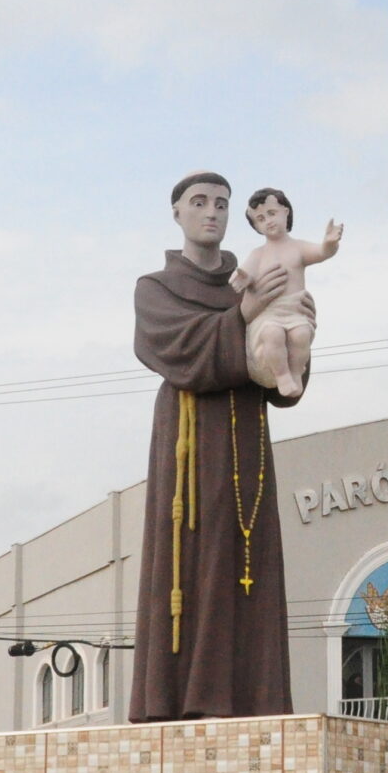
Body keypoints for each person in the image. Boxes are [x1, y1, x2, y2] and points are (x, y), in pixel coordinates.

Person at [130, 172, 305, 721]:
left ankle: (251, 699)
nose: (212, 212)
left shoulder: (259, 272)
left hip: (247, 438)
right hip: (187, 441)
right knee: (191, 561)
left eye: (222, 204)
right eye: (199, 202)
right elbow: (174, 350)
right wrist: (245, 317)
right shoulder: (156, 287)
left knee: (246, 559)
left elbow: (280, 382)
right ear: (176, 212)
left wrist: (299, 336)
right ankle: (182, 700)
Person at [235, 187, 341, 400]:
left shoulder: (298, 248)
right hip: (268, 314)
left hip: (295, 309)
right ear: (256, 226)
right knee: (272, 335)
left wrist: (329, 244)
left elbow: (321, 253)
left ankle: (295, 372)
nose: (268, 221)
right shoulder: (258, 254)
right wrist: (242, 279)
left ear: (285, 211)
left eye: (272, 213)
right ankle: (282, 375)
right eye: (260, 219)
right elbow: (246, 273)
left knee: (301, 335)